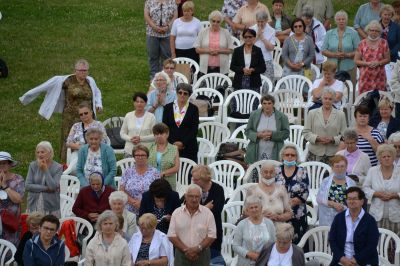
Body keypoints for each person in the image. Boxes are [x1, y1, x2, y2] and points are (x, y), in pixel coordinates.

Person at [19, 59, 103, 162]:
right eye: (81, 70)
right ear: (75, 70)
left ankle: (91, 160)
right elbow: (44, 86)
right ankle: (66, 163)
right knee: (69, 139)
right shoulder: (66, 81)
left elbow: (97, 92)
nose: (83, 72)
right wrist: (28, 96)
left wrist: (99, 104)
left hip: (88, 116)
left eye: (85, 70)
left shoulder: (90, 81)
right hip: (70, 117)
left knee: (91, 137)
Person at [329, 187, 379, 266]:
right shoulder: (339, 218)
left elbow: (371, 245)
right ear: (346, 201)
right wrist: (342, 259)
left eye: (355, 199)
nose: (351, 201)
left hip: (364, 261)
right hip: (342, 261)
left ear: (362, 201)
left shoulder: (370, 220)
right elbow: (332, 240)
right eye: (349, 199)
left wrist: (356, 259)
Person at [168, 184, 216, 266]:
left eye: (197, 196)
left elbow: (212, 236)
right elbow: (171, 235)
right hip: (181, 254)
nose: (194, 199)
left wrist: (198, 249)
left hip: (202, 254)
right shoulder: (177, 213)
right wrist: (185, 250)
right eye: (191, 196)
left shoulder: (208, 213)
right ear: (186, 196)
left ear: (200, 197)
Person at [275, 143, 309, 244]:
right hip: (279, 213)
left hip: (297, 212)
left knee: (297, 244)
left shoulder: (302, 171)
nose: (290, 157)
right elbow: (271, 190)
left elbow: (305, 193)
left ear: (296, 157)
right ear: (282, 156)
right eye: (287, 155)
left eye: (292, 155)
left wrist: (287, 206)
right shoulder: (276, 171)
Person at [363, 144, 400, 235]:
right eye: (384, 156)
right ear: (379, 158)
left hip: (396, 214)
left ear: (393, 157)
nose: (386, 158)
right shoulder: (372, 171)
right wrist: (376, 194)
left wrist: (395, 195)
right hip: (376, 214)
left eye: (389, 156)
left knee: (395, 242)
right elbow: (365, 188)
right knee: (377, 240)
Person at [303, 88, 347, 164]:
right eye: (325, 98)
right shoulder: (312, 113)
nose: (327, 101)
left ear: (333, 100)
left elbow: (344, 135)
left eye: (330, 99)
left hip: (333, 154)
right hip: (314, 153)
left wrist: (333, 139)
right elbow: (306, 132)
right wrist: (317, 138)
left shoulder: (341, 114)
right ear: (321, 99)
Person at [191, 165, 225, 259]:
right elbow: (186, 209)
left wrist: (196, 209)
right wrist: (206, 207)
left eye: (196, 179)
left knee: (213, 259)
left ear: (205, 179)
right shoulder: (193, 189)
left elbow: (216, 211)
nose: (193, 181)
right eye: (193, 179)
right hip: (194, 234)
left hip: (213, 232)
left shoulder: (218, 190)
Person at [245, 94, 289, 164]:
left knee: (273, 172)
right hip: (256, 150)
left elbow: (286, 133)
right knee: (256, 172)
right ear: (261, 104)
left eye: (269, 103)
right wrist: (258, 135)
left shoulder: (282, 117)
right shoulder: (254, 115)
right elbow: (247, 131)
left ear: (273, 104)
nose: (267, 106)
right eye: (264, 103)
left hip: (275, 150)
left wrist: (272, 135)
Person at [232, 195, 276, 266]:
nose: (254, 210)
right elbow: (235, 246)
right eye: (251, 208)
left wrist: (265, 255)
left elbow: (274, 243)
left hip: (265, 261)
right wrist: (249, 254)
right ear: (247, 210)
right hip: (246, 262)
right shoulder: (242, 224)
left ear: (261, 208)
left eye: (256, 207)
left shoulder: (269, 223)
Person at [322, 10, 360, 87]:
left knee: (349, 89)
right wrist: (334, 55)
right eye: (339, 19)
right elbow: (323, 50)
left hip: (349, 67)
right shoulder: (329, 33)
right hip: (332, 68)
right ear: (336, 21)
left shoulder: (353, 33)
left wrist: (347, 55)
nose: (341, 21)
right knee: (332, 89)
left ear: (346, 20)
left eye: (343, 19)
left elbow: (359, 50)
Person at [162, 83, 199, 162]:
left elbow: (194, 129)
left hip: (189, 147)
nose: (182, 95)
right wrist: (173, 143)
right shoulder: (167, 108)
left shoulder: (194, 109)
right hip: (170, 145)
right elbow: (165, 127)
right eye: (180, 92)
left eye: (185, 93)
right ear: (177, 93)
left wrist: (183, 143)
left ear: (189, 95)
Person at [230, 29, 266, 109]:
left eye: (250, 37)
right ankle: (238, 120)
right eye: (245, 37)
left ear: (254, 38)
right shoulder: (237, 50)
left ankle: (253, 121)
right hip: (239, 80)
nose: (248, 39)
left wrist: (253, 70)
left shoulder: (258, 50)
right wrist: (242, 69)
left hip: (253, 81)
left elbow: (263, 68)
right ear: (243, 38)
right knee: (239, 104)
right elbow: (232, 66)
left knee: (253, 105)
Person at [317, 155, 357, 226]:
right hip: (327, 218)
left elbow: (356, 201)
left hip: (346, 217)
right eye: (337, 166)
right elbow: (319, 199)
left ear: (346, 167)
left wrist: (344, 207)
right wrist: (333, 204)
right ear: (332, 168)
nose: (340, 169)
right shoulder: (326, 181)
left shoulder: (352, 183)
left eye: (342, 166)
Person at [66, 101, 108, 168]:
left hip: (94, 153)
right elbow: (68, 142)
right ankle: (70, 171)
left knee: (79, 163)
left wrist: (89, 148)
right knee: (77, 159)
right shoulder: (76, 126)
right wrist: (80, 147)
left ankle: (66, 172)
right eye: (81, 114)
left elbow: (104, 141)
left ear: (91, 112)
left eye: (85, 113)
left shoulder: (98, 125)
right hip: (78, 152)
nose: (83, 116)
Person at [26, 141, 62, 217]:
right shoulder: (33, 165)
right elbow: (28, 186)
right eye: (38, 152)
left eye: (42, 152)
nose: (39, 154)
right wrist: (46, 188)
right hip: (34, 204)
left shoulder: (58, 167)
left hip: (51, 206)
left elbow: (53, 187)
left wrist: (45, 169)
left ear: (50, 153)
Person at [121, 145, 160, 215]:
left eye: (143, 155)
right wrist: (133, 202)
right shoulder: (128, 171)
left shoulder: (154, 172)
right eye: (137, 155)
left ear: (147, 156)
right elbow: (121, 190)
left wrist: (142, 203)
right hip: (129, 208)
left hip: (148, 208)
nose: (140, 157)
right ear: (134, 157)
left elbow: (158, 191)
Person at [193, 10, 234, 76]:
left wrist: (219, 51)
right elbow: (197, 49)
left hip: (222, 68)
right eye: (213, 21)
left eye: (218, 21)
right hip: (205, 67)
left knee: (221, 86)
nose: (215, 23)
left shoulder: (226, 32)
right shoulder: (203, 32)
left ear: (221, 22)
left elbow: (231, 50)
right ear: (210, 20)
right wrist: (208, 51)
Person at [354, 20, 391, 94]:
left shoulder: (384, 43)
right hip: (365, 77)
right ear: (368, 31)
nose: (374, 32)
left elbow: (388, 59)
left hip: (380, 77)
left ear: (379, 32)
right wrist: (367, 63)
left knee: (380, 101)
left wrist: (379, 63)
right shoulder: (362, 43)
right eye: (372, 30)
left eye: (376, 31)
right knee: (364, 102)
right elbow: (356, 60)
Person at [144, 0, 178, 80]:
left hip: (167, 34)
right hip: (152, 33)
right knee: (153, 56)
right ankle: (153, 78)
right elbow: (146, 16)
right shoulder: (149, 1)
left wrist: (168, 26)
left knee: (166, 57)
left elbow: (175, 16)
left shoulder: (172, 2)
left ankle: (166, 77)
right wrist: (154, 27)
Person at [120, 92, 156, 156]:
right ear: (134, 103)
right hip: (129, 151)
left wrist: (141, 138)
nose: (139, 104)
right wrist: (130, 139)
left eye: (142, 102)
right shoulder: (128, 115)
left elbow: (155, 135)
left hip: (146, 152)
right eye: (137, 101)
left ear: (145, 103)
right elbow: (122, 133)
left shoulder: (151, 117)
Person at [0, 151, 24, 246]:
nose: (1, 165)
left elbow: (18, 199)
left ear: (10, 165)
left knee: (11, 248)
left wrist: (4, 185)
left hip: (11, 221)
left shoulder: (18, 179)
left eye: (4, 163)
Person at [148, 123, 180, 189]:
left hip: (168, 181)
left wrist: (162, 174)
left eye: (161, 133)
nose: (159, 136)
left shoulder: (174, 148)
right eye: (156, 134)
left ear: (167, 134)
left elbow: (176, 167)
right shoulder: (149, 147)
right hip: (150, 180)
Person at [250, 10, 276, 81]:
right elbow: (248, 45)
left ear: (266, 20)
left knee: (267, 84)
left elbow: (271, 48)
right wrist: (258, 36)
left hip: (266, 60)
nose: (260, 24)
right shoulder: (251, 29)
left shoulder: (272, 30)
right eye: (258, 21)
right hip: (253, 60)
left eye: (262, 21)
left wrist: (263, 38)